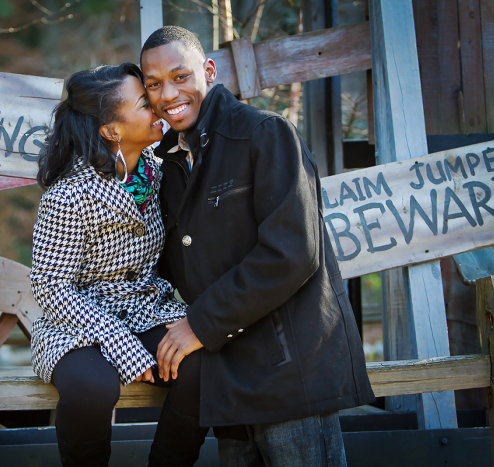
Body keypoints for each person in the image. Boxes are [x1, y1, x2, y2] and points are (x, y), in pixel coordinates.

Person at [140, 26, 376, 467]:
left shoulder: (264, 134)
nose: (168, 94)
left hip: (289, 376)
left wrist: (199, 325)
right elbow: (177, 266)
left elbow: (292, 252)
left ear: (207, 71)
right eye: (154, 84)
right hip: (229, 381)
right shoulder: (169, 165)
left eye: (180, 76)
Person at [29, 63, 208, 467]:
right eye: (145, 102)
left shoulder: (163, 173)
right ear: (111, 130)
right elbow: (52, 287)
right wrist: (121, 344)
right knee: (91, 386)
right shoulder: (69, 196)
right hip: (76, 323)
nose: (159, 107)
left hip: (148, 310)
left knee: (203, 365)